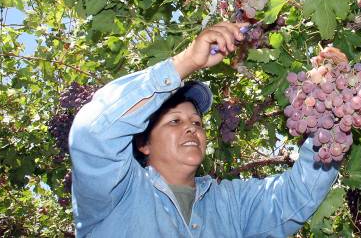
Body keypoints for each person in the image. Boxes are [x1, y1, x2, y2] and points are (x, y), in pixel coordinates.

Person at [69, 22, 340, 237]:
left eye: (197, 122)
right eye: (175, 121)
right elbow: (92, 132)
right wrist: (186, 62)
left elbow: (297, 195)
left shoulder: (230, 203)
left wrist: (330, 105)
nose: (191, 128)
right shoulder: (118, 191)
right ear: (144, 144)